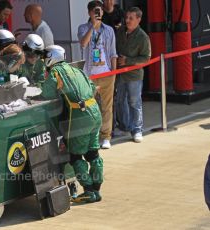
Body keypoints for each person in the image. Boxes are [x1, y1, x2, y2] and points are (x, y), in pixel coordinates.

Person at [41, 45, 103, 203]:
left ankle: (88, 191)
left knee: (75, 155)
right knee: (92, 153)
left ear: (51, 57)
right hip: (95, 112)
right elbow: (90, 87)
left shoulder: (55, 72)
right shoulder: (76, 69)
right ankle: (96, 189)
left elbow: (46, 94)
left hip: (80, 115)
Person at [78, 0, 117, 149]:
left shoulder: (109, 30)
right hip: (90, 76)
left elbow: (113, 53)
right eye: (95, 11)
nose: (98, 13)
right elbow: (83, 43)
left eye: (100, 11)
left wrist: (113, 73)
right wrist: (93, 26)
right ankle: (91, 137)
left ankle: (106, 136)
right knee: (88, 108)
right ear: (89, 13)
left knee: (107, 107)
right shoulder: (83, 28)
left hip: (106, 73)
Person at [115, 7, 151, 143]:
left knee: (134, 102)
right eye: (127, 17)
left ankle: (137, 129)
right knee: (119, 101)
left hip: (134, 75)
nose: (127, 20)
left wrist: (127, 61)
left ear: (138, 19)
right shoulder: (120, 31)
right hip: (120, 74)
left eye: (131, 18)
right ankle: (125, 126)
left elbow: (146, 58)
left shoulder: (143, 37)